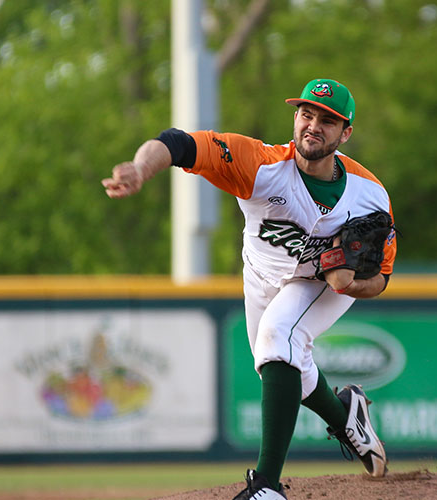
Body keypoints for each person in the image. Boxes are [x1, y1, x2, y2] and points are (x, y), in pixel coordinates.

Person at [102, 78, 396, 500]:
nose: (313, 126)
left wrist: (352, 283)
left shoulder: (370, 195)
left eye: (328, 121)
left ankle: (267, 487)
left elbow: (382, 277)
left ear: (345, 133)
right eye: (306, 114)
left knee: (280, 337)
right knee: (278, 361)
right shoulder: (259, 165)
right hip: (260, 274)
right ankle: (348, 416)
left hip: (320, 285)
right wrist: (140, 167)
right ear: (295, 117)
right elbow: (180, 143)